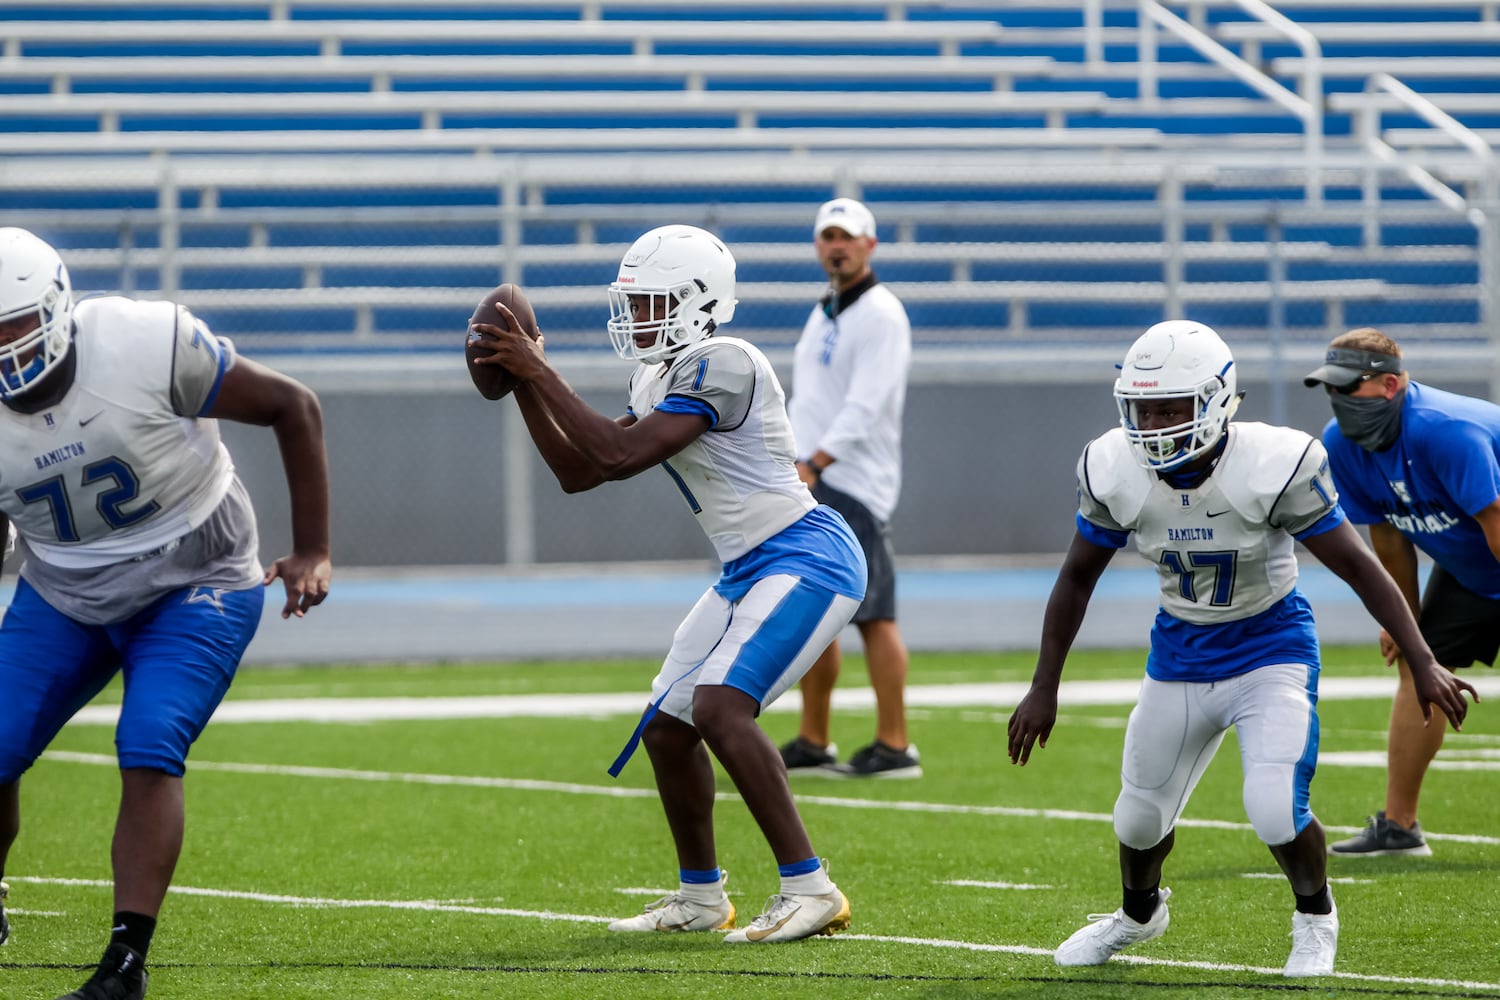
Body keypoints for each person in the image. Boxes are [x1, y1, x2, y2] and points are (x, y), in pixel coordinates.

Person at [1006, 320, 1474, 977]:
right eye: (1142, 408)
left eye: (1171, 407)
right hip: (1179, 653)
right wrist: (1044, 685)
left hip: (1269, 646)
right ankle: (1138, 916)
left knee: (1275, 805)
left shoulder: (1274, 463)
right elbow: (1076, 577)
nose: (1154, 424)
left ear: (1218, 400)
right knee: (1138, 819)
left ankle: (1315, 919)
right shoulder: (1112, 466)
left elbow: (1360, 567)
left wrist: (1422, 658)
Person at [468, 224, 867, 943]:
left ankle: (811, 886)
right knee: (668, 727)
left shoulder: (727, 361)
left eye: (651, 302)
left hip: (808, 555)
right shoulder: (661, 374)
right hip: (749, 567)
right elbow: (578, 471)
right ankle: (701, 897)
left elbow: (619, 455)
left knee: (718, 708)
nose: (637, 318)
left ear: (697, 302)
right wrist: (528, 385)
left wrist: (537, 372)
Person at [0, 228, 332, 1000]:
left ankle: (124, 964)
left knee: (149, 737)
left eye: (13, 324)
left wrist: (312, 549)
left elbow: (293, 405)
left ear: (55, 311)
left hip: (197, 572)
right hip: (67, 591)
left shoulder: (142, 342)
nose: (5, 346)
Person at [1304, 327, 1498, 857]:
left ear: (1390, 385)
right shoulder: (1341, 445)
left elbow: (1497, 523)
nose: (1339, 401)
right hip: (1473, 567)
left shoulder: (1447, 431)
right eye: (1332, 390)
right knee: (1422, 669)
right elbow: (1389, 538)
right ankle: (1399, 827)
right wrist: (1404, 622)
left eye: (1350, 388)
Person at [779, 197, 917, 779]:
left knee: (873, 614)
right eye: (827, 236)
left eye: (847, 236)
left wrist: (815, 459)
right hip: (815, 475)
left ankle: (895, 743)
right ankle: (814, 738)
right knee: (817, 608)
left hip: (850, 480)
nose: (836, 245)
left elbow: (868, 404)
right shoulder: (828, 310)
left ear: (870, 245)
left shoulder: (880, 314)